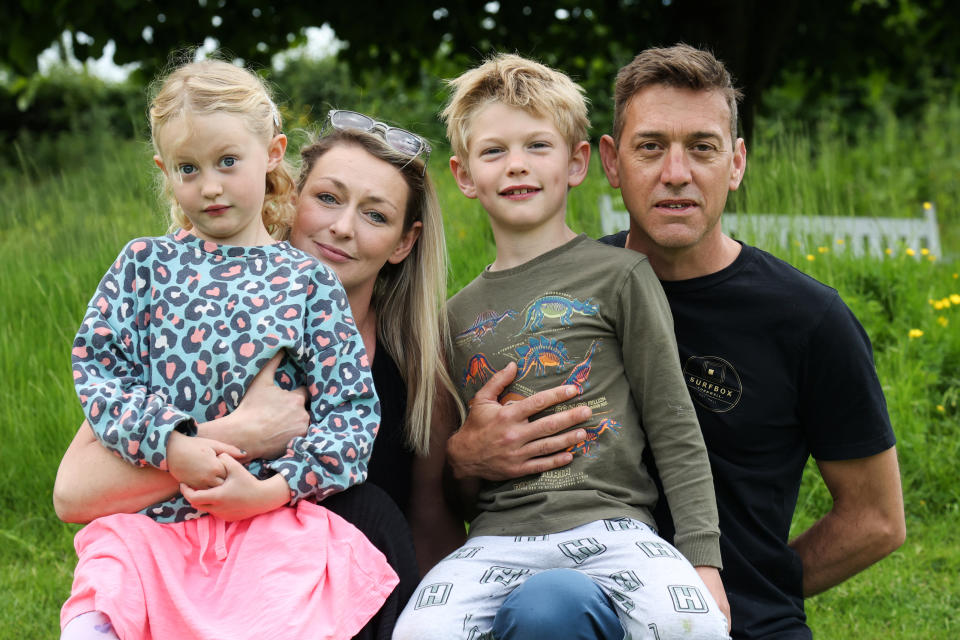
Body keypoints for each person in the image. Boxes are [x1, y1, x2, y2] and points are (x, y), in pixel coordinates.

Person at [446, 44, 906, 639]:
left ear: (736, 163)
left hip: (730, 620)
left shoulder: (808, 318)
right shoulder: (556, 296)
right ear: (610, 163)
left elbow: (877, 519)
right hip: (571, 609)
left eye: (703, 148)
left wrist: (759, 584)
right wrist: (465, 456)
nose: (676, 173)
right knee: (550, 608)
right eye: (651, 146)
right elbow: (441, 486)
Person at [54, 108, 467, 639]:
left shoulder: (415, 370)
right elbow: (73, 494)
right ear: (290, 195)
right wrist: (240, 435)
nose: (342, 226)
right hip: (195, 559)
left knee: (366, 509)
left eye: (375, 215)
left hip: (322, 596)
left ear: (403, 243)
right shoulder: (197, 329)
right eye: (327, 198)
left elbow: (428, 528)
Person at [393, 53, 730, 640]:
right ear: (465, 175)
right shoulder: (451, 315)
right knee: (417, 631)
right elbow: (459, 479)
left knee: (693, 626)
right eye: (494, 151)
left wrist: (703, 560)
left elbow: (674, 424)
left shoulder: (621, 276)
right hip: (498, 539)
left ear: (576, 163)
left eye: (537, 147)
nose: (516, 166)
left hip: (612, 528)